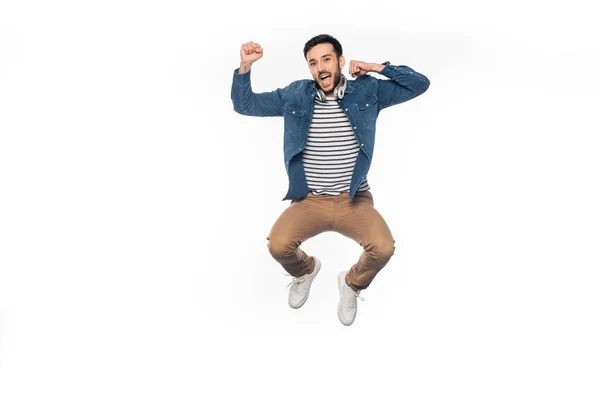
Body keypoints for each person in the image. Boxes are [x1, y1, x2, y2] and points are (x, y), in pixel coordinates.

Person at [231, 34, 430, 326]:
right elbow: (244, 105)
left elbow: (419, 84)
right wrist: (245, 66)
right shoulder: (294, 95)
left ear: (340, 61)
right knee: (278, 245)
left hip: (354, 201)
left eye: (326, 59)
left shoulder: (367, 92)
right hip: (309, 200)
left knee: (383, 248)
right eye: (313, 63)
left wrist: (376, 67)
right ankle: (306, 271)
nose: (320, 68)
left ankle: (351, 284)